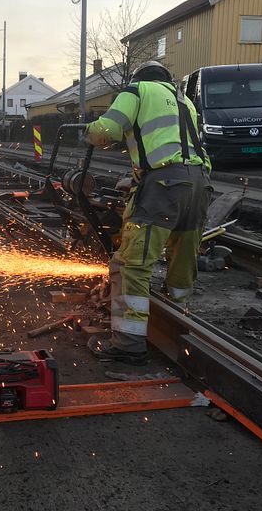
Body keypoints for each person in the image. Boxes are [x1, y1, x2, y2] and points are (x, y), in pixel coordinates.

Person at [84, 60, 212, 365]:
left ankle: (128, 343)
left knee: (131, 265)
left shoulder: (138, 91)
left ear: (139, 77)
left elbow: (107, 130)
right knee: (183, 258)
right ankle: (176, 319)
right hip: (199, 184)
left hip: (164, 185)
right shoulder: (185, 101)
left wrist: (89, 132)